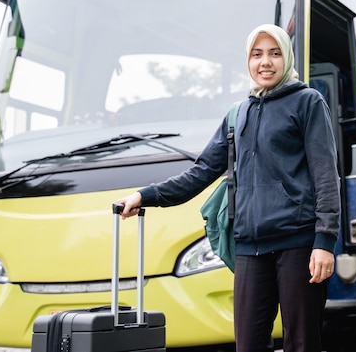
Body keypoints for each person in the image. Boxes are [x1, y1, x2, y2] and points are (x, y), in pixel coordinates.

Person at [116, 23, 341, 352]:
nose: (265, 62)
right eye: (257, 54)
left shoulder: (307, 102)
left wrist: (324, 240)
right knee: (247, 344)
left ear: (286, 58)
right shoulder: (239, 114)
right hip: (250, 248)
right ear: (248, 61)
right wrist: (145, 195)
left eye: (275, 53)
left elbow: (325, 174)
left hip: (299, 244)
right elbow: (202, 171)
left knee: (302, 343)